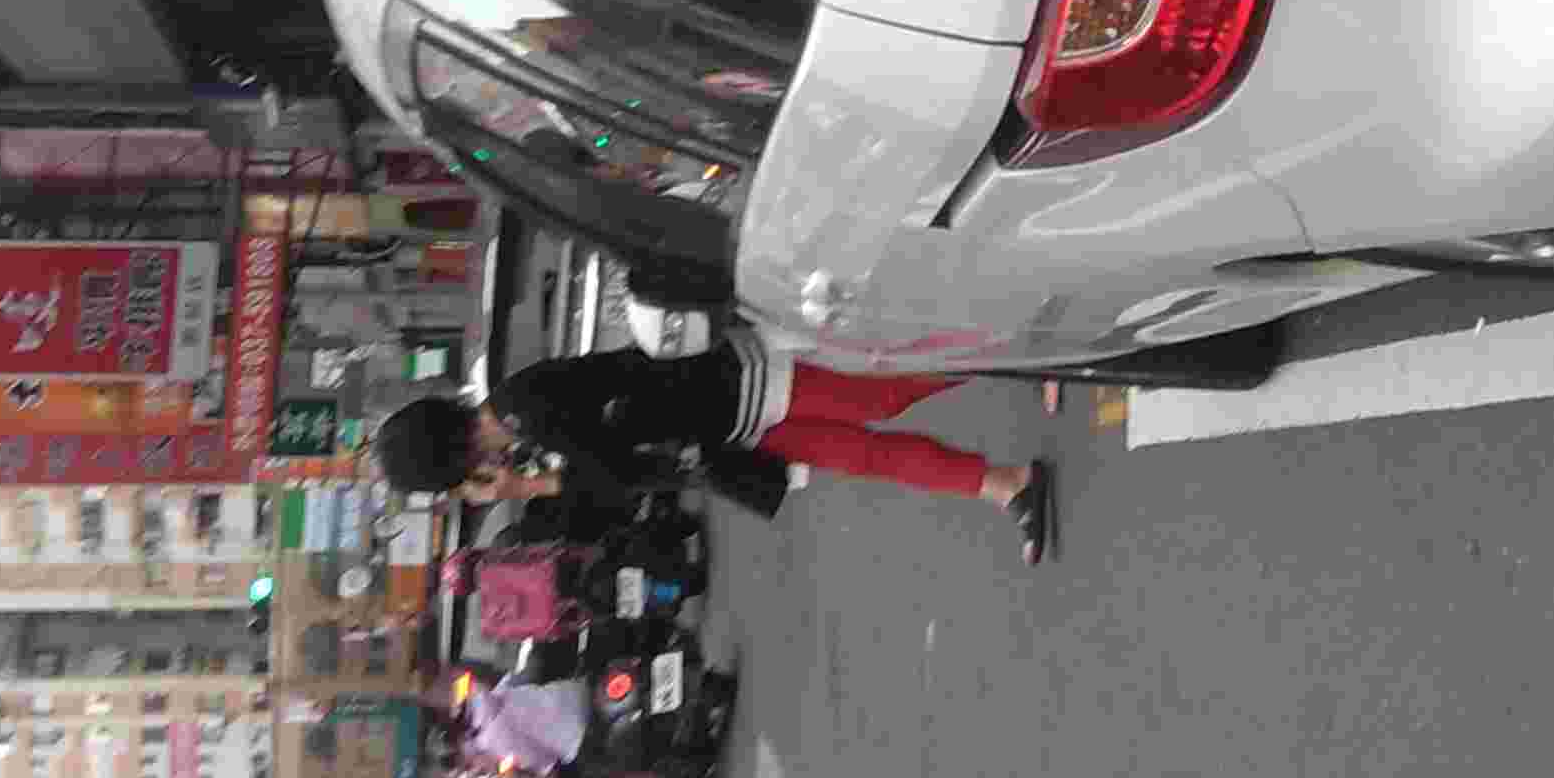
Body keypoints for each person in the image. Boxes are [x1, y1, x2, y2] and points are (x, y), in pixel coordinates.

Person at [377, 331, 1056, 563]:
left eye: (455, 478)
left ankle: (1034, 349)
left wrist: (524, 488)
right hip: (738, 422)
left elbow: (615, 475)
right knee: (871, 453)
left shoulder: (526, 410)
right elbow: (620, 471)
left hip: (736, 384)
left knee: (887, 393)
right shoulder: (522, 421)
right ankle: (1006, 484)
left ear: (453, 459)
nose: (473, 482)